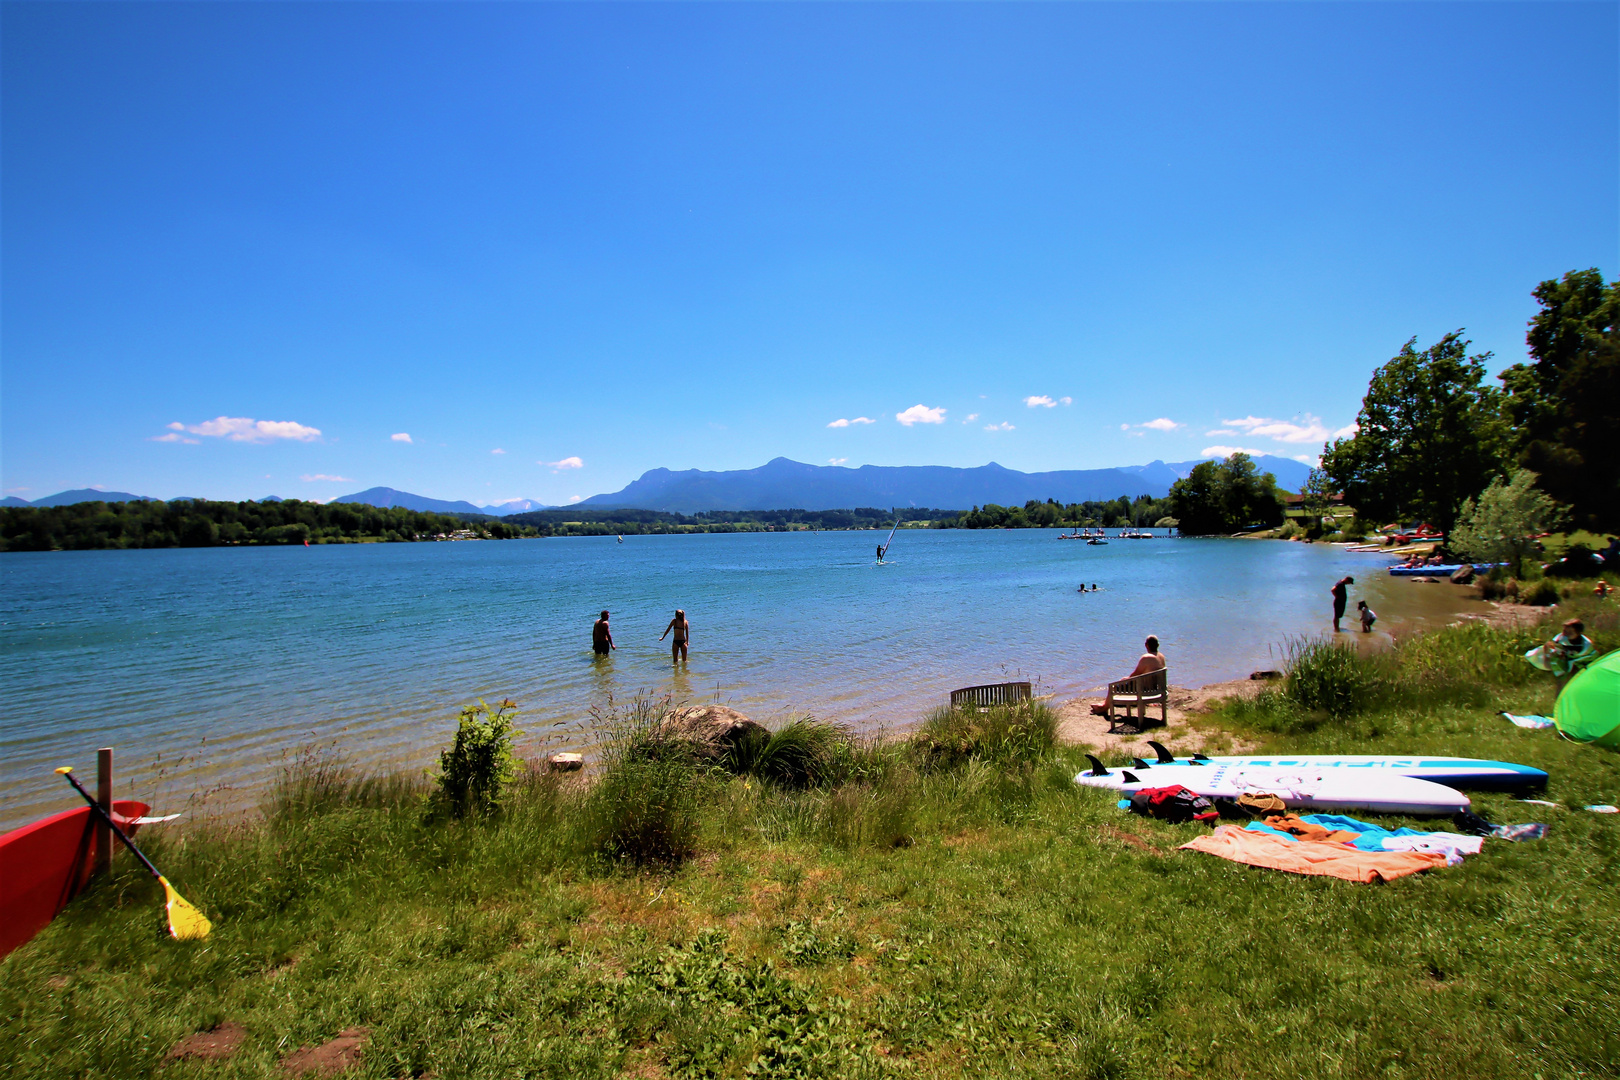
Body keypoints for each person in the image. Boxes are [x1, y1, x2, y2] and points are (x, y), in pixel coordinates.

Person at [1090, 635, 1167, 717]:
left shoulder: (1146, 658)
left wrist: (1125, 679)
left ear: (1146, 645)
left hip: (1144, 691)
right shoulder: (1161, 656)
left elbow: (1135, 676)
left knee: (1113, 687)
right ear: (1158, 645)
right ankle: (1103, 705)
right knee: (1122, 683)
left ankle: (1104, 708)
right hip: (1155, 689)